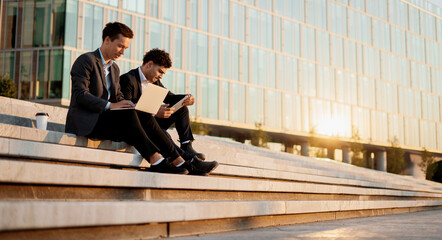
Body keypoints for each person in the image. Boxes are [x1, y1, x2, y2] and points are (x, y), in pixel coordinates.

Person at [65, 22, 217, 175]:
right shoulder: (86, 60)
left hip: (109, 121)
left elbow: (119, 97)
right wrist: (110, 106)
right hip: (89, 121)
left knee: (141, 112)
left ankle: (179, 161)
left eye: (126, 48)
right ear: (107, 40)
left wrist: (128, 104)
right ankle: (157, 160)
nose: (123, 52)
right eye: (120, 46)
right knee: (132, 113)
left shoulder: (114, 68)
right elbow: (80, 95)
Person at [120, 48, 206, 160]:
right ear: (149, 64)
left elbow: (170, 97)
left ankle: (186, 145)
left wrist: (188, 98)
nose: (161, 76)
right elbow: (128, 107)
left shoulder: (155, 81)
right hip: (137, 126)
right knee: (162, 131)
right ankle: (183, 157)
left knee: (182, 109)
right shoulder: (127, 79)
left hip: (151, 122)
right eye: (160, 71)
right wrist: (154, 111)